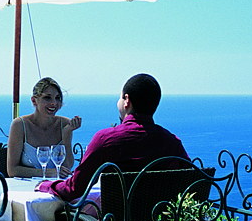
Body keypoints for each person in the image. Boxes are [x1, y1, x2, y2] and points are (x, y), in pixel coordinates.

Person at [39, 73, 188, 202]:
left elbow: (73, 189)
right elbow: (192, 181)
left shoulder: (106, 140)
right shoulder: (173, 143)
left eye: (120, 98)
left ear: (127, 101)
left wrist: (45, 185)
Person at [7, 77, 82, 178]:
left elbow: (67, 167)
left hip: (56, 188)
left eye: (57, 98)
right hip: (26, 189)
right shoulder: (20, 125)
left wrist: (67, 134)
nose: (54, 103)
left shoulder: (64, 123)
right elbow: (12, 170)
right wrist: (47, 173)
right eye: (47, 98)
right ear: (34, 100)